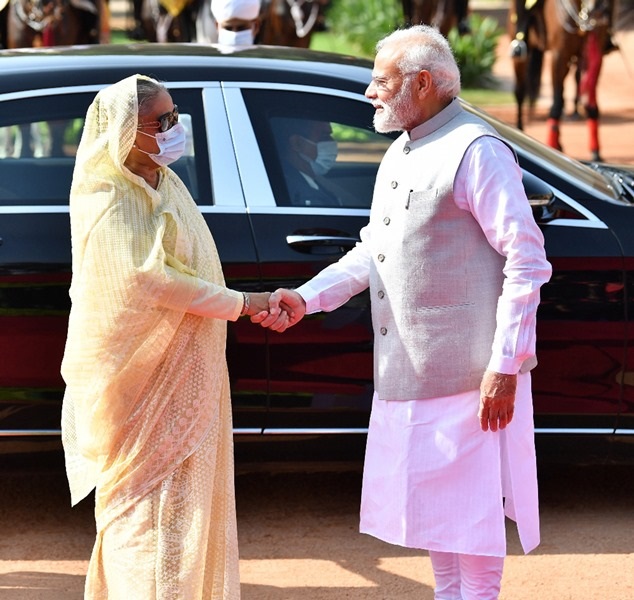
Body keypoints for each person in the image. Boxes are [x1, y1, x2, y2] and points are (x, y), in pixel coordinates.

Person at [255, 25, 552, 599]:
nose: (369, 92)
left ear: (422, 82)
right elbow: (376, 249)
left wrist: (507, 364)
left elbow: (527, 258)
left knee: (474, 522)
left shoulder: (477, 150)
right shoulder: (404, 146)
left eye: (381, 80)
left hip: (470, 377)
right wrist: (307, 297)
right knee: (438, 516)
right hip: (410, 370)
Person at [60, 74, 285, 599]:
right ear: (123, 131)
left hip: (193, 371)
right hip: (142, 383)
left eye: (175, 116)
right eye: (160, 122)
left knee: (189, 504)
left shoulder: (165, 180)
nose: (173, 129)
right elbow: (147, 279)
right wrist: (241, 304)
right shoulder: (109, 195)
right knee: (142, 512)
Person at [276, 118, 342, 207]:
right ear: (297, 143)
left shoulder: (301, 180)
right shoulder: (299, 194)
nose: (332, 142)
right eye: (324, 137)